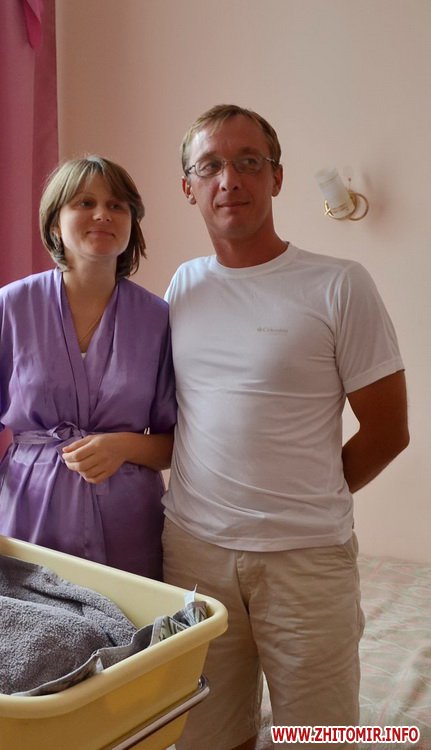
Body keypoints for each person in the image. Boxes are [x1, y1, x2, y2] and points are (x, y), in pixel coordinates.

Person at [162, 105, 409, 750]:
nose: (230, 179)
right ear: (189, 187)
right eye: (210, 166)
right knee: (202, 736)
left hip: (306, 561)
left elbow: (389, 429)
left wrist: (306, 498)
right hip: (194, 555)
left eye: (249, 162)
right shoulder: (183, 286)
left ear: (276, 176)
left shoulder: (338, 284)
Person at [0, 156, 176, 587]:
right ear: (55, 224)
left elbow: (175, 446)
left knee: (129, 627)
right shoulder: (12, 307)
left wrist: (122, 446)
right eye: (85, 203)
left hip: (129, 528)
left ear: (132, 224)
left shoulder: (157, 320)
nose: (103, 214)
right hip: (28, 521)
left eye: (117, 205)